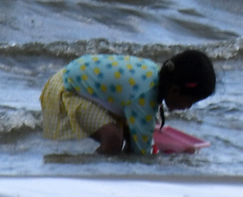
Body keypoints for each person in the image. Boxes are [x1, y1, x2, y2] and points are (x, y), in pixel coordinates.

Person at [41, 50, 217, 155]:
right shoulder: (144, 95)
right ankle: (92, 180)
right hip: (66, 89)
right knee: (113, 139)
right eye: (190, 101)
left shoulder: (155, 76)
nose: (188, 108)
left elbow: (141, 132)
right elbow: (140, 152)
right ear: (175, 90)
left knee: (126, 131)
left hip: (77, 81)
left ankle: (108, 169)